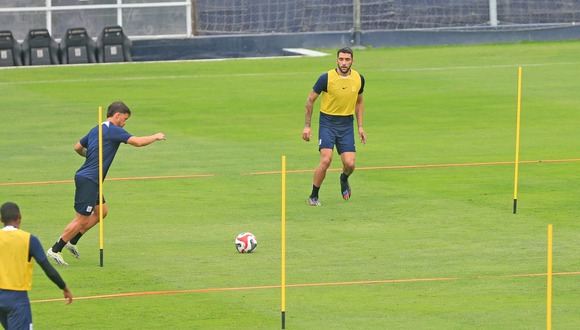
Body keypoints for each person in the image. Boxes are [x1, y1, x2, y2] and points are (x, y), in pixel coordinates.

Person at [47, 101, 166, 266]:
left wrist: (91, 155)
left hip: (92, 180)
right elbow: (137, 142)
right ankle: (55, 249)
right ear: (117, 115)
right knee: (81, 219)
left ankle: (72, 241)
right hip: (89, 179)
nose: (124, 123)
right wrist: (156, 136)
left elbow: (77, 147)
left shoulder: (97, 129)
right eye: (124, 119)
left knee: (101, 212)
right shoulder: (113, 130)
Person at [302, 47, 367, 206]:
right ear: (337, 60)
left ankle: (343, 179)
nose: (344, 63)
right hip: (328, 123)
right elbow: (310, 100)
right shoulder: (326, 78)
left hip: (346, 125)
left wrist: (360, 127)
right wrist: (307, 126)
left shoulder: (359, 78)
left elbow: (359, 102)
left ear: (352, 60)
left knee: (350, 164)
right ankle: (313, 196)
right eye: (341, 59)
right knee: (326, 160)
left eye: (347, 59)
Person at [0, 202, 73, 329]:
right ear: (20, 217)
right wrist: (64, 287)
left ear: (1, 219)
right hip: (17, 299)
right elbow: (47, 268)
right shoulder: (29, 240)